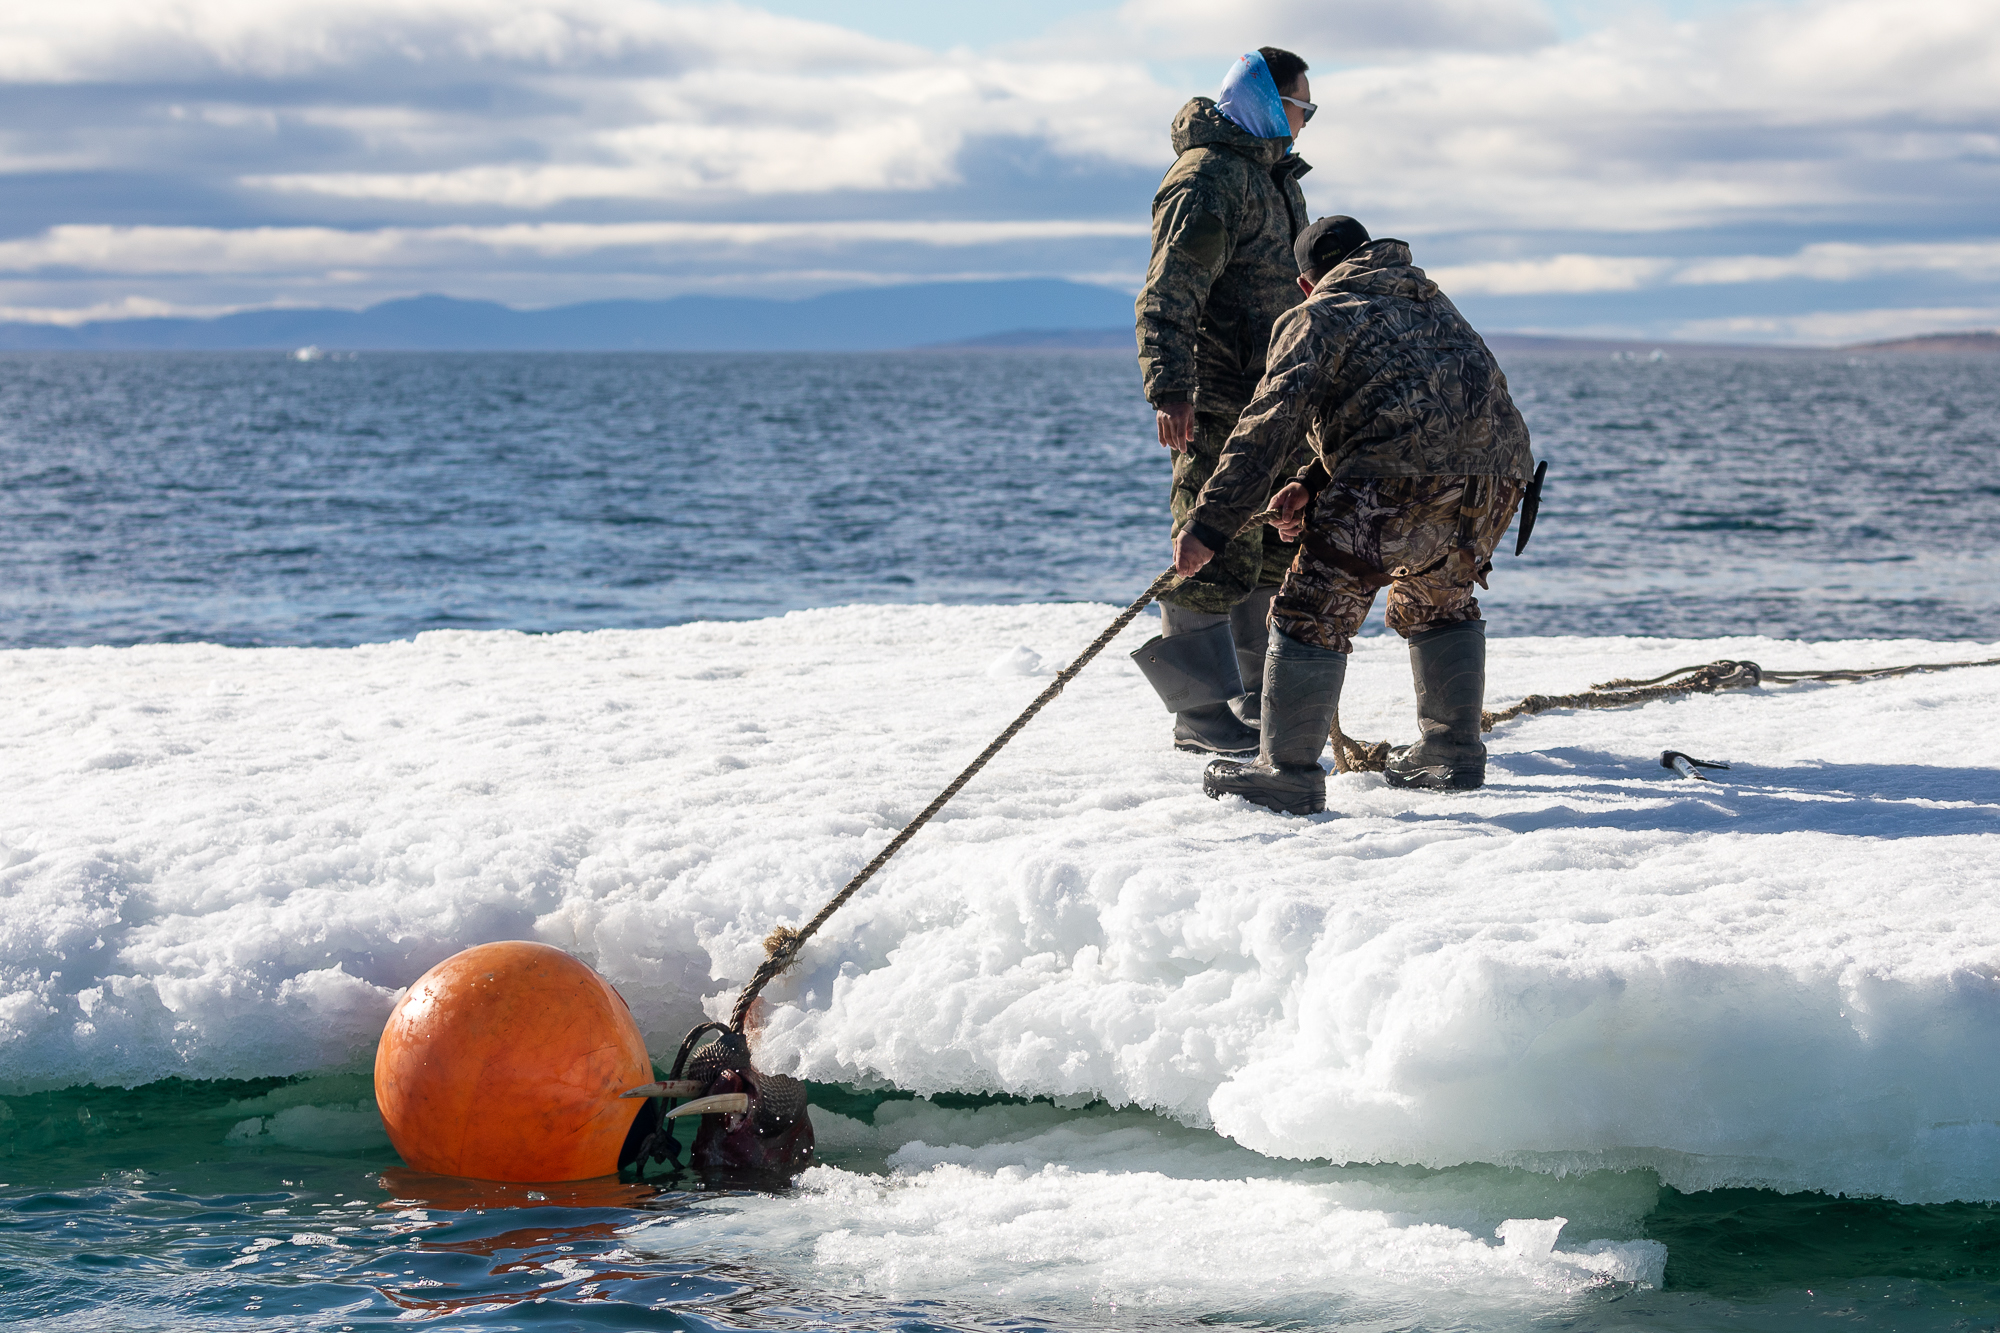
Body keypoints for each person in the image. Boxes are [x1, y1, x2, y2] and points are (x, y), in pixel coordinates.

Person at [1172, 215, 1536, 814]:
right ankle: (1452, 751)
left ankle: (1285, 772)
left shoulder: (1317, 314)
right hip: (1498, 483)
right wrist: (1311, 482)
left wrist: (1209, 524)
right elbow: (1415, 409)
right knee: (1439, 596)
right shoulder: (1431, 302)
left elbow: (1269, 424)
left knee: (1310, 610)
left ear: (1305, 282)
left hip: (1399, 478)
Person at [1135, 46, 1317, 755]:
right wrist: (1171, 388)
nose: (1306, 121)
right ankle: (1201, 714)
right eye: (1302, 106)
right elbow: (1170, 287)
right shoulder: (1208, 177)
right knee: (1210, 545)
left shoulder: (1273, 178)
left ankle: (1252, 700)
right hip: (1219, 398)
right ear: (1269, 102)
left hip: (1274, 399)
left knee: (1269, 549)